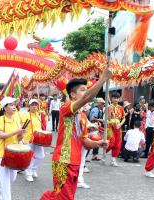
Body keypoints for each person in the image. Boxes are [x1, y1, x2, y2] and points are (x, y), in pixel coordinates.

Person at [40, 69, 111, 200]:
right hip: (63, 160)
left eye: (86, 89)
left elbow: (85, 142)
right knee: (63, 197)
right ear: (73, 95)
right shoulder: (66, 108)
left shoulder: (83, 116)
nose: (86, 92)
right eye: (83, 89)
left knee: (65, 196)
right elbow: (87, 97)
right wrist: (102, 80)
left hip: (76, 162)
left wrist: (98, 143)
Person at [0, 97, 25, 200]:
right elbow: (0, 135)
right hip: (2, 154)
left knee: (12, 178)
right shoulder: (0, 119)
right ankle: (5, 195)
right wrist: (17, 131)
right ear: (5, 108)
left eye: (14, 104)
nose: (14, 106)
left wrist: (21, 134)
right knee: (5, 182)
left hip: (13, 154)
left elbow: (18, 137)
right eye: (11, 104)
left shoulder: (16, 119)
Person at [23, 99, 45, 182]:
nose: (34, 106)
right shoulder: (25, 115)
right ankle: (28, 174)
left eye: (36, 105)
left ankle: (33, 169)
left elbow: (40, 128)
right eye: (32, 105)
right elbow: (22, 127)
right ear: (29, 106)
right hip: (28, 139)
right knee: (29, 158)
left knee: (41, 156)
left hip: (38, 139)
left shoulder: (38, 115)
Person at [106, 92, 126, 167]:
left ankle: (113, 160)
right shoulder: (109, 107)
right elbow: (108, 118)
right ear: (111, 98)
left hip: (118, 126)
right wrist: (109, 112)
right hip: (110, 126)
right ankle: (104, 152)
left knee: (118, 143)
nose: (116, 99)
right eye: (114, 98)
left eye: (117, 98)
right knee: (111, 142)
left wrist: (120, 124)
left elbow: (124, 118)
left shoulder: (121, 108)